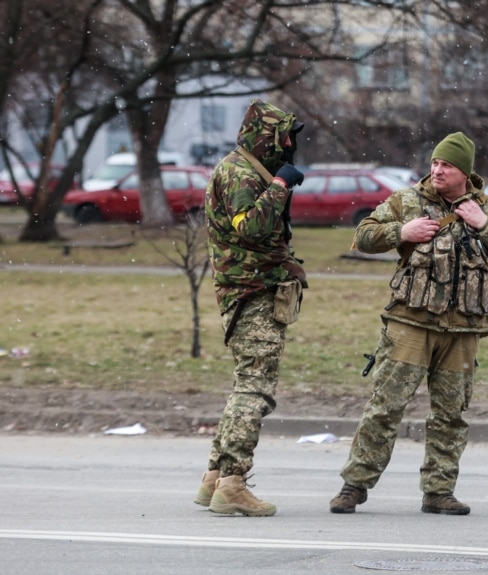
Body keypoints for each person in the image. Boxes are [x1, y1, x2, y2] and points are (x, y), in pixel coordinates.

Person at [329, 132, 488, 516]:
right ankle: (354, 485)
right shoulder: (406, 202)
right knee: (385, 407)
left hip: (464, 331)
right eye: (435, 163)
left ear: (464, 172)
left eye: (446, 165)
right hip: (410, 324)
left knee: (450, 415)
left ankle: (438, 491)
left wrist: (485, 225)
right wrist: (400, 232)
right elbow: (363, 236)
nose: (437, 170)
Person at [193, 98, 307, 517]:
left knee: (245, 384)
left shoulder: (240, 169)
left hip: (250, 289)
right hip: (251, 293)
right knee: (254, 389)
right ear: (265, 139)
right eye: (284, 140)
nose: (289, 149)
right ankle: (233, 484)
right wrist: (279, 186)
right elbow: (252, 228)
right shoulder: (241, 174)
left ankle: (214, 478)